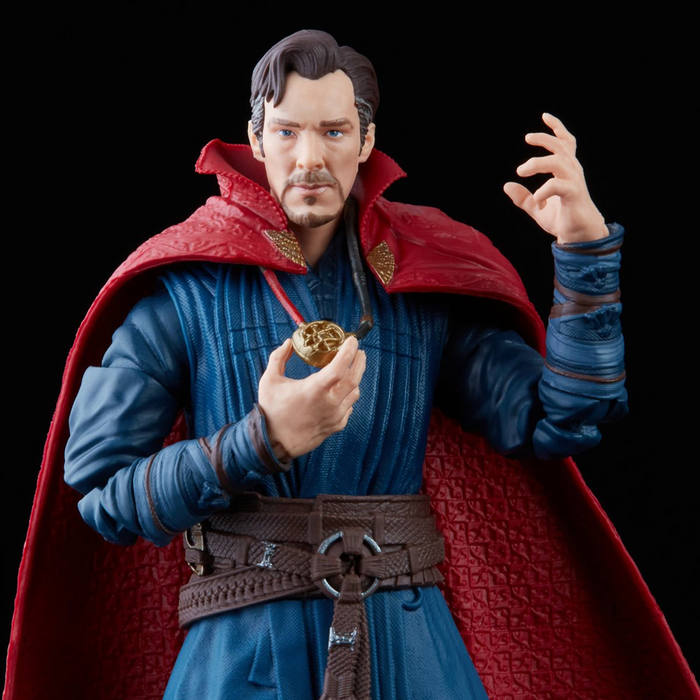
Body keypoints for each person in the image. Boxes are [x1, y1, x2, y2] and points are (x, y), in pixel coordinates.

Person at [6, 29, 697, 700]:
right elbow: (102, 492)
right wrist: (257, 442)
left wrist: (583, 256)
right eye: (287, 131)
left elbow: (560, 418)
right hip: (244, 647)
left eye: (333, 131)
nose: (309, 156)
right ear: (256, 139)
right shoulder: (186, 291)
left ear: (365, 141)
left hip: (409, 641)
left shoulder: (421, 277)